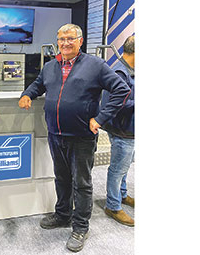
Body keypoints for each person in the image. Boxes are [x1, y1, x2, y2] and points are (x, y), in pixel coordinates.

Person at [18, 24, 131, 253]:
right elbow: (38, 85)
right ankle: (62, 215)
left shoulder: (95, 65)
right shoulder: (51, 66)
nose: (65, 43)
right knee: (61, 178)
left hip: (81, 136)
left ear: (80, 41)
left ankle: (80, 226)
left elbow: (121, 90)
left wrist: (100, 118)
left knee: (82, 183)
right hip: (55, 134)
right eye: (61, 39)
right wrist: (27, 94)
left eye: (70, 39)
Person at [101, 35, 135, 227]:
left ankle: (122, 195)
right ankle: (113, 205)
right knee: (117, 168)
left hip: (130, 130)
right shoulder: (119, 73)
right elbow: (111, 104)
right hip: (122, 131)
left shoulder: (131, 71)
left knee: (125, 166)